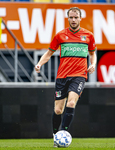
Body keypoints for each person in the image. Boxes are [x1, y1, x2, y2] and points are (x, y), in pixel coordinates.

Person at [35, 7, 97, 146]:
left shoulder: (88, 35)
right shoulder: (60, 35)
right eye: (71, 17)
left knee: (71, 103)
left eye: (76, 17)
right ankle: (56, 135)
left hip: (79, 75)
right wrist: (39, 64)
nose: (73, 20)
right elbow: (49, 53)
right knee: (58, 110)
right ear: (68, 18)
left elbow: (93, 53)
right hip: (62, 76)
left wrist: (92, 64)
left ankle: (63, 134)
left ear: (80, 18)